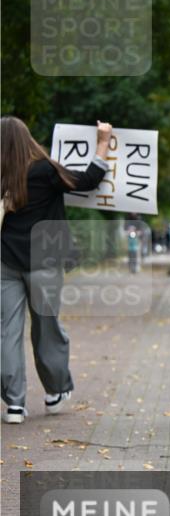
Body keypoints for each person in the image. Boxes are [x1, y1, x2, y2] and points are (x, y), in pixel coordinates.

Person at [1, 117, 114, 424]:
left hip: (5, 263)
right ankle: (54, 392)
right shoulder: (44, 170)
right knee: (46, 326)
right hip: (45, 262)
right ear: (26, 140)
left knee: (6, 332)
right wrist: (103, 141)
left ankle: (13, 405)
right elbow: (88, 180)